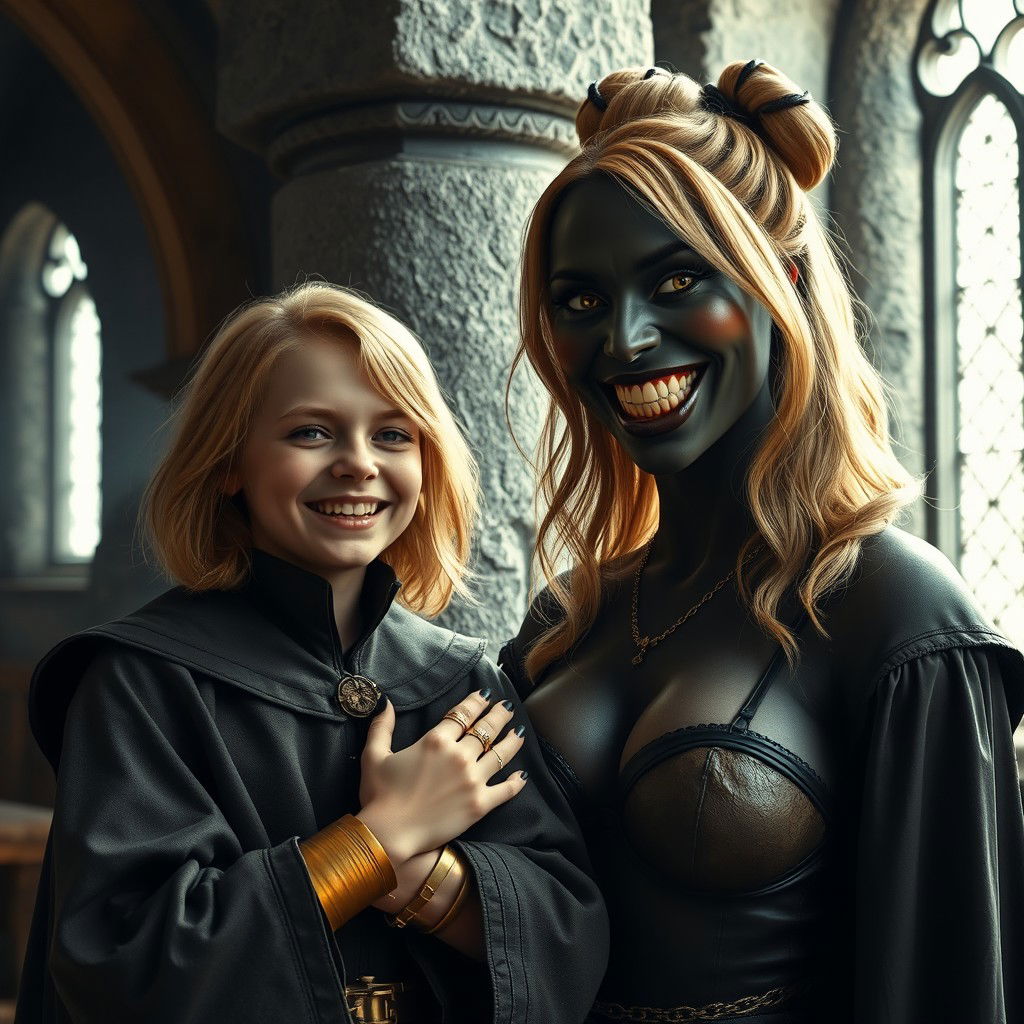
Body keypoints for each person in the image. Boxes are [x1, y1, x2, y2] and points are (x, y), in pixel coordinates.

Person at [499, 61, 1024, 1024]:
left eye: (677, 280)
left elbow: (951, 988)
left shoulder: (897, 614)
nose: (624, 340)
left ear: (782, 281)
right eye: (580, 301)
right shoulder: (564, 619)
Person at [16, 282, 608, 1024]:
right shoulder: (141, 683)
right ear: (228, 462)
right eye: (311, 433)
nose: (359, 463)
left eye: (393, 435)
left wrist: (416, 875)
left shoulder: (462, 683)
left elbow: (568, 937)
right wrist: (380, 838)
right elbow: (125, 965)